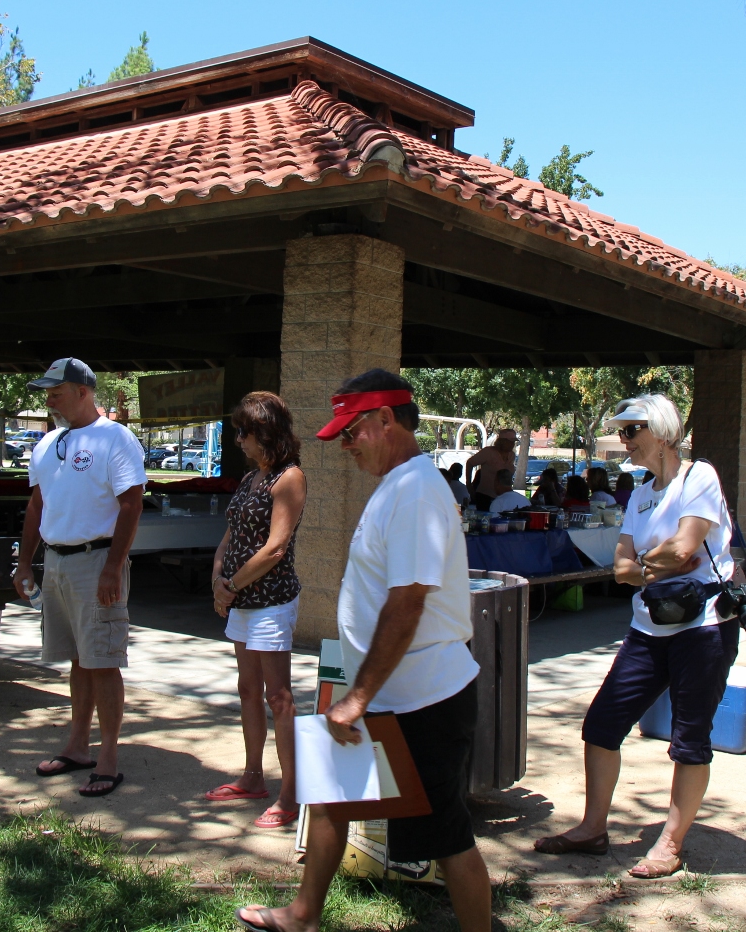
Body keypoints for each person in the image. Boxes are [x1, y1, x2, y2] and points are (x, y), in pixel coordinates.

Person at [236, 369, 488, 932]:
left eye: (352, 432)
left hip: (425, 698)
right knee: (328, 796)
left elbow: (408, 604)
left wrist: (358, 697)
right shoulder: (397, 486)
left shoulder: (419, 490)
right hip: (382, 694)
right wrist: (358, 692)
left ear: (385, 419)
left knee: (449, 839)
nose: (345, 445)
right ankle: (303, 915)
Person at [534, 394, 739, 879]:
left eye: (631, 430)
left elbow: (686, 547)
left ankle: (670, 843)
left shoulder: (700, 477)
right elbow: (622, 566)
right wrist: (658, 565)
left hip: (702, 626)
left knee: (690, 739)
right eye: (621, 431)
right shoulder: (642, 492)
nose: (623, 440)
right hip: (648, 628)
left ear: (663, 432)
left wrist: (651, 563)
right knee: (602, 725)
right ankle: (592, 828)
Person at [15, 358, 146, 797]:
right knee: (77, 658)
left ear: (84, 392)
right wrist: (23, 562)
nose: (49, 398)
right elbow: (37, 505)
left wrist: (113, 567)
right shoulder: (47, 442)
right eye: (47, 391)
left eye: (57, 390)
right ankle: (77, 746)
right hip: (56, 561)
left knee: (103, 660)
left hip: (96, 561)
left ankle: (107, 755)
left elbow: (132, 503)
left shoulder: (115, 438)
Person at [206, 392, 307, 829]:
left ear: (261, 432)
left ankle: (291, 792)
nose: (238, 442)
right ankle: (252, 776)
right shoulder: (251, 480)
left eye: (241, 433)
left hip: (270, 601)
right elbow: (229, 537)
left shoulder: (289, 478)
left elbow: (275, 548)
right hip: (241, 600)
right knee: (248, 690)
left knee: (278, 697)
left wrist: (230, 586)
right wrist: (217, 579)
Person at [464, 428, 518, 510]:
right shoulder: (488, 452)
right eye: (510, 442)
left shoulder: (511, 455)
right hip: (486, 496)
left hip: (504, 496)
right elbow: (470, 463)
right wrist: (468, 484)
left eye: (513, 442)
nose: (512, 444)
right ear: (502, 442)